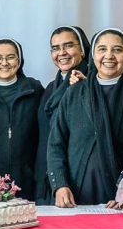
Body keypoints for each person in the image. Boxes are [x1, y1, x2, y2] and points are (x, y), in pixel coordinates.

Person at [46, 28, 123, 207]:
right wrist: (60, 184)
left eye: (117, 50)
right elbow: (56, 144)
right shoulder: (74, 93)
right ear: (93, 55)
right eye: (102, 49)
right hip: (75, 199)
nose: (109, 56)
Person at [0, 38, 44, 199]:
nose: (4, 63)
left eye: (11, 57)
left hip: (27, 179)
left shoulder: (34, 90)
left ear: (19, 61)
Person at [34, 26, 91, 204]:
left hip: (76, 179)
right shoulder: (50, 88)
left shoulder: (92, 83)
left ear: (82, 49)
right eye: (56, 48)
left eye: (68, 46)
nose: (62, 53)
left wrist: (86, 88)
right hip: (50, 176)